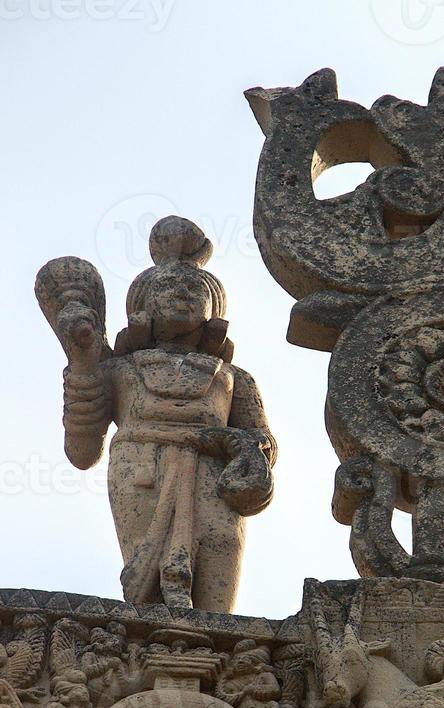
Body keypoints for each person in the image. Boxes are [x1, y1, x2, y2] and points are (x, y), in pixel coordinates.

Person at [36, 215, 276, 612]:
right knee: (148, 577)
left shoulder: (234, 378)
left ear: (213, 308)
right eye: (168, 287)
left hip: (213, 472)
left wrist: (240, 444)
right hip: (142, 466)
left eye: (194, 289)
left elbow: (263, 441)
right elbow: (81, 450)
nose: (182, 293)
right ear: (144, 304)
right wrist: (82, 361)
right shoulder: (120, 369)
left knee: (221, 552)